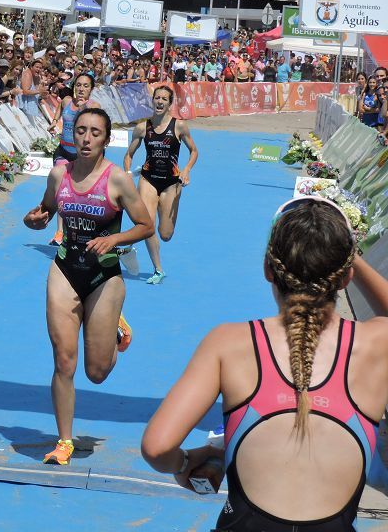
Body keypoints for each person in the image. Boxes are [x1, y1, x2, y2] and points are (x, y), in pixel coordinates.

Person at [142, 198, 388, 531]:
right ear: (346, 278)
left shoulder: (229, 343)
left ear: (268, 269)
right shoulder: (377, 345)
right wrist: (349, 255)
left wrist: (184, 462)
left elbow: (157, 447)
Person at [23, 109, 155, 466]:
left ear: (105, 139)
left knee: (96, 373)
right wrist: (33, 220)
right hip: (65, 270)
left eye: (95, 132)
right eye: (80, 130)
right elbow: (45, 212)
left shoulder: (118, 180)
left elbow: (146, 226)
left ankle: (116, 328)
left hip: (104, 278)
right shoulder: (58, 175)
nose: (86, 138)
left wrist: (115, 241)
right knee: (64, 360)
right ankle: (64, 441)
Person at [123, 85, 198, 285]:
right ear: (152, 100)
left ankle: (171, 202)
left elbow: (194, 151)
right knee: (147, 225)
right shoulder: (142, 128)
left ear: (169, 103)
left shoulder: (179, 126)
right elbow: (129, 154)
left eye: (164, 99)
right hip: (148, 179)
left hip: (171, 183)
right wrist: (129, 174)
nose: (160, 101)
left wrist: (187, 170)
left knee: (165, 235)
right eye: (157, 98)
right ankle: (158, 269)